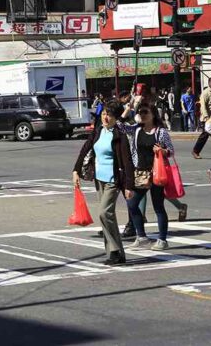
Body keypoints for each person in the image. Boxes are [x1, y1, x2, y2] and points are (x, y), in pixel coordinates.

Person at [72, 101, 134, 265]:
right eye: (105, 114)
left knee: (104, 213)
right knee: (108, 216)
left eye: (110, 115)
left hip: (114, 180)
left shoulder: (119, 136)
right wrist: (76, 170)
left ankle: (114, 251)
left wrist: (129, 186)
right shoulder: (99, 131)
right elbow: (85, 148)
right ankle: (117, 254)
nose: (106, 117)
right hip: (99, 178)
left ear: (116, 118)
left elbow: (127, 162)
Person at [125, 106, 175, 251]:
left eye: (146, 112)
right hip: (140, 172)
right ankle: (141, 236)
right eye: (140, 112)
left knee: (158, 206)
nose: (142, 115)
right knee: (132, 204)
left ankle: (162, 240)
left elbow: (171, 151)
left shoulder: (161, 132)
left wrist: (162, 151)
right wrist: (128, 109)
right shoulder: (136, 130)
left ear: (153, 114)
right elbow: (120, 126)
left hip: (156, 173)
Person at [192, 78, 211, 159]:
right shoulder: (205, 93)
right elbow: (203, 106)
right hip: (208, 119)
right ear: (209, 83)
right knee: (205, 136)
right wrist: (206, 117)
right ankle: (195, 151)